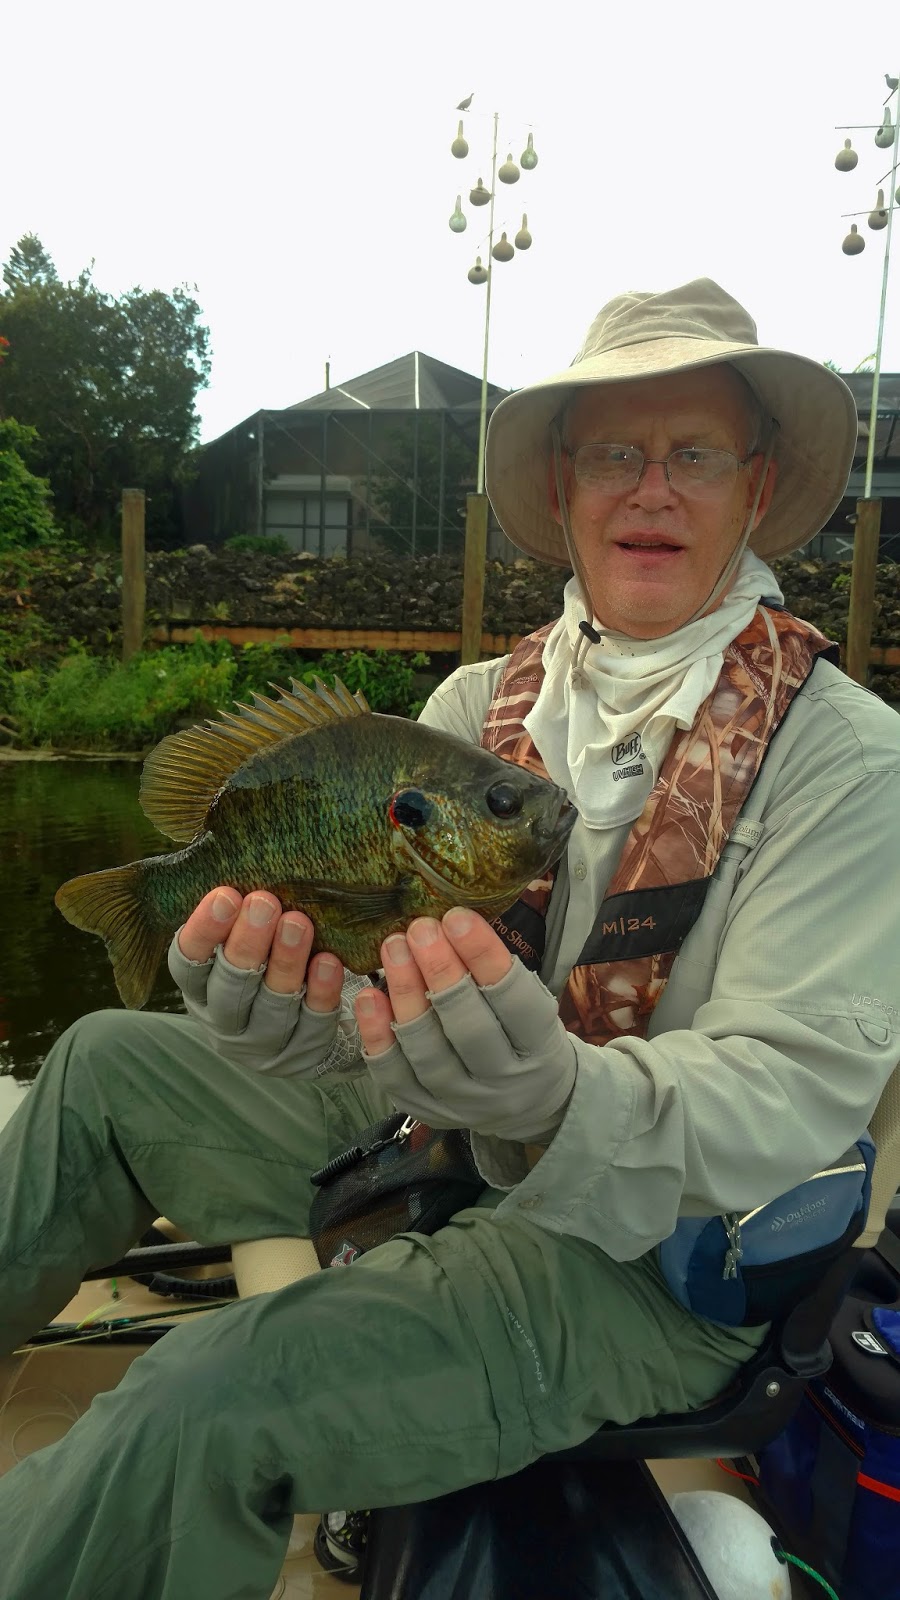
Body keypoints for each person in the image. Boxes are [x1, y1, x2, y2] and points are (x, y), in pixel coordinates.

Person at [1, 278, 898, 1599]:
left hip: (655, 1262)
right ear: (565, 484)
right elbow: (371, 987)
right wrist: (287, 1014)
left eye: (696, 455)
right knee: (100, 1062)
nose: (652, 488)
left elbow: (790, 1093)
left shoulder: (851, 761)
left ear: (756, 487)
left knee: (201, 1398)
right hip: (449, 1145)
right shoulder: (479, 705)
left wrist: (559, 1096)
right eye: (616, 453)